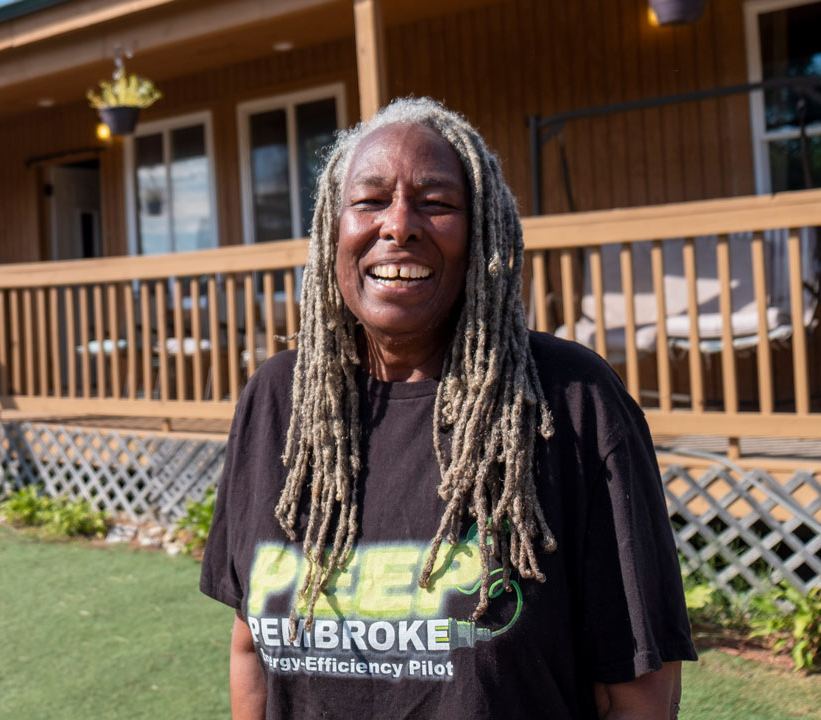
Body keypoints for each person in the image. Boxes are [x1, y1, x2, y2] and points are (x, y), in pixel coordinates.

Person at [198, 97, 696, 719]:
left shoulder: (570, 402)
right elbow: (251, 647)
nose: (399, 225)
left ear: (481, 233)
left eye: (435, 203)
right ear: (333, 227)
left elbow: (639, 687)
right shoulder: (277, 398)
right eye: (370, 200)